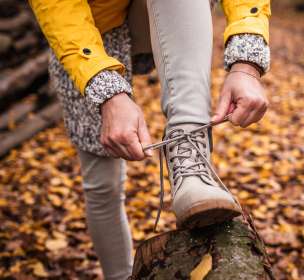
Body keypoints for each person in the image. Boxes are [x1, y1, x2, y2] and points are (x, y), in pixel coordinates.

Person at [29, 0, 271, 279]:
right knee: (102, 185)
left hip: (174, 11)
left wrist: (246, 64)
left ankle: (190, 158)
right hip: (86, 28)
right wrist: (106, 93)